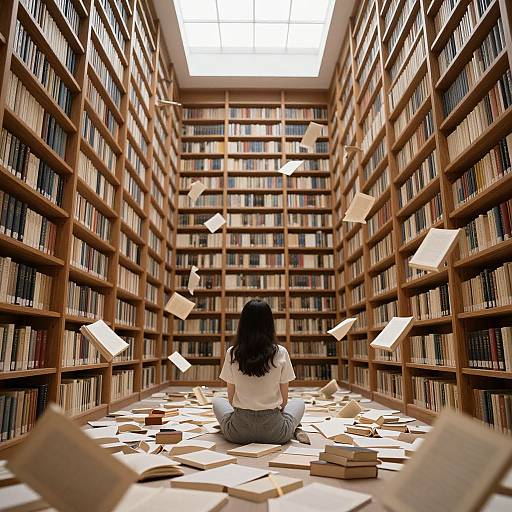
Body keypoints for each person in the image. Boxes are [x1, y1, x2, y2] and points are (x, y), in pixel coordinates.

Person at [212, 299, 306, 444]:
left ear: (242, 324)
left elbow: (231, 400)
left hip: (237, 433)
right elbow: (284, 401)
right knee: (299, 402)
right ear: (270, 324)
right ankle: (295, 429)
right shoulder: (281, 352)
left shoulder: (232, 353)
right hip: (276, 433)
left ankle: (226, 426)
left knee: (218, 401)